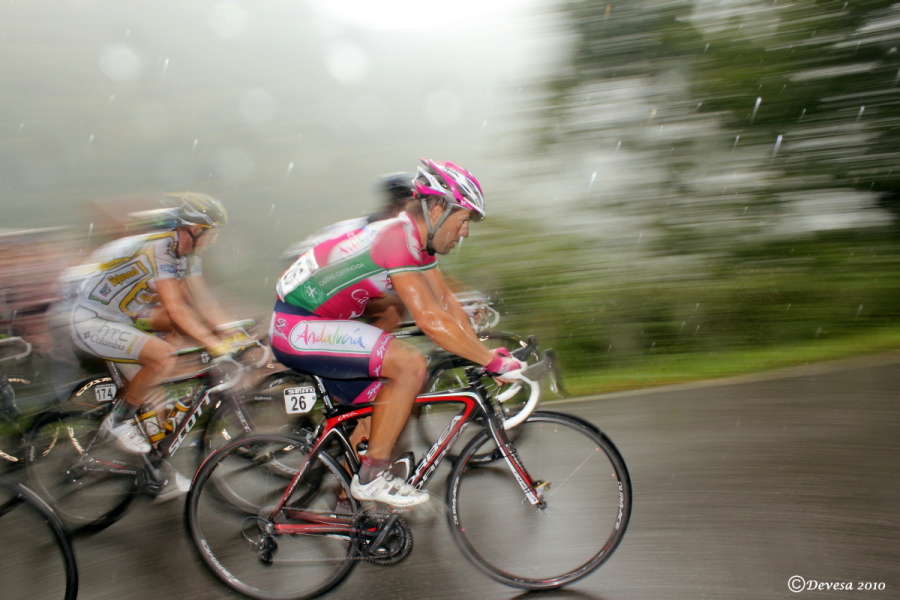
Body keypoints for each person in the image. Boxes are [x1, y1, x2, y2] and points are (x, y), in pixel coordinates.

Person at [270, 159, 524, 507]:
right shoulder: (396, 238)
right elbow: (430, 320)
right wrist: (489, 361)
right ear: (436, 209)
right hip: (297, 326)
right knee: (409, 365)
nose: (464, 232)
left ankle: (350, 507)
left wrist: (482, 354)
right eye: (463, 220)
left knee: (384, 408)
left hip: (321, 325)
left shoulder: (418, 245)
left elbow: (447, 304)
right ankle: (371, 478)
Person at [68, 192, 241, 490]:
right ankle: (118, 421)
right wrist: (217, 345)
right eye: (212, 233)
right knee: (162, 356)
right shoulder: (160, 248)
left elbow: (202, 300)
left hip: (121, 318)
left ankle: (157, 473)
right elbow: (177, 308)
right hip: (90, 319)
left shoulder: (185, 253)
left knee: (156, 399)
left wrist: (233, 334)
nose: (213, 241)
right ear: (196, 229)